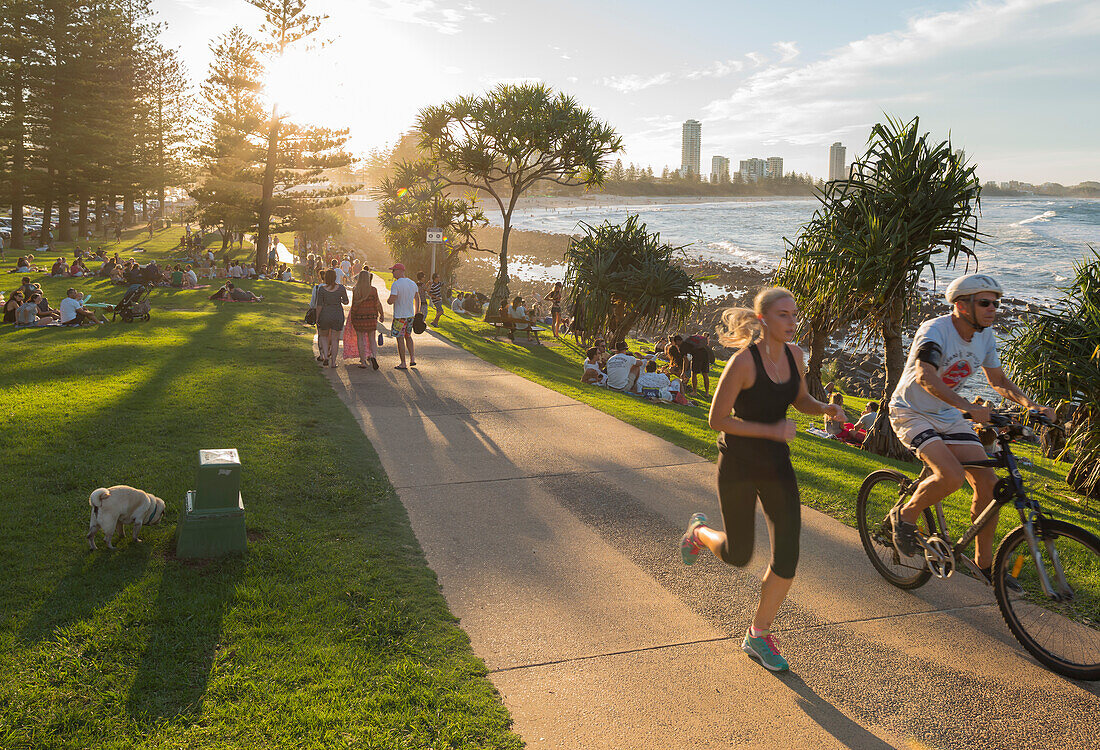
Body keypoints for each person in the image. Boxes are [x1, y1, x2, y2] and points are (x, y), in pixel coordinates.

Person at [679, 287, 842, 672]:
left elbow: (799, 398)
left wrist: (824, 408)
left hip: (776, 466)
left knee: (787, 554)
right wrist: (771, 431)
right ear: (764, 319)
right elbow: (717, 420)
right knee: (739, 555)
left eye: (795, 314)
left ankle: (758, 634)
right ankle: (698, 533)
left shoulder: (795, 355)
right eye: (784, 315)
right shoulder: (743, 363)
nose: (792, 321)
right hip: (737, 464)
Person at [887, 274, 1054, 582]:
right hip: (912, 412)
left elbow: (998, 381)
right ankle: (906, 516)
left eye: (996, 303)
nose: (994, 309)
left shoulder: (985, 336)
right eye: (985, 303)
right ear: (962, 306)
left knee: (988, 484)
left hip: (949, 414)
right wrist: (971, 407)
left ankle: (984, 564)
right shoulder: (935, 330)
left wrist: (1030, 405)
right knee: (949, 476)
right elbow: (925, 376)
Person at [345, 269, 384, 370]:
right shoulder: (373, 290)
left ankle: (363, 362)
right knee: (372, 338)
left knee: (361, 339)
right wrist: (381, 314)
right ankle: (373, 356)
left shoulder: (356, 290)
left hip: (359, 317)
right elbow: (377, 304)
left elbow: (354, 305)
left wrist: (352, 317)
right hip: (371, 317)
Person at [386, 262, 420, 370]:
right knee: (408, 336)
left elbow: (391, 300)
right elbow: (417, 298)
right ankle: (412, 359)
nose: (392, 273)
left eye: (394, 271)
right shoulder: (412, 283)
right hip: (410, 315)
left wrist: (388, 300)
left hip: (399, 316)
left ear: (400, 271)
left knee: (400, 338)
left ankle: (403, 363)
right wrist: (417, 312)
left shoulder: (396, 284)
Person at [314, 269, 348, 368]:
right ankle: (333, 362)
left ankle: (325, 356)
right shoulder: (341, 288)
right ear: (335, 277)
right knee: (335, 340)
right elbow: (346, 301)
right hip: (337, 314)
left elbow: (319, 305)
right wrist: (340, 299)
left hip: (325, 314)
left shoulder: (322, 289)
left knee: (324, 337)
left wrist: (317, 317)